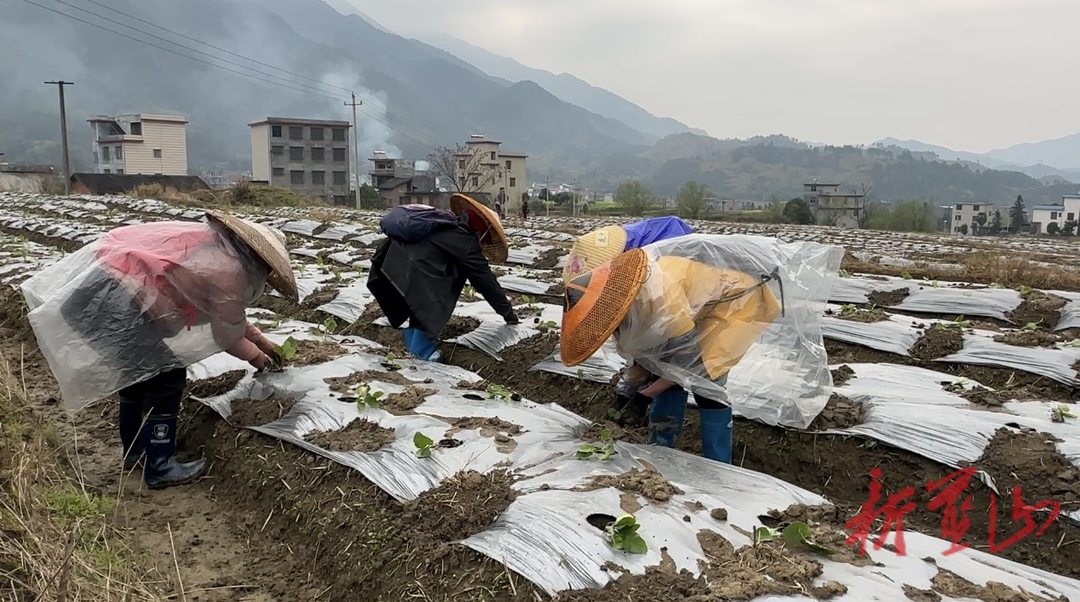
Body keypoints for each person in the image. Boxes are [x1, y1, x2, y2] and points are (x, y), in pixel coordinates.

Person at [21, 210, 298, 490]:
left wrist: (262, 341)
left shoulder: (212, 252)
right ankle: (159, 466)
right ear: (257, 259)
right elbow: (225, 333)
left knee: (137, 376)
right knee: (166, 377)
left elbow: (226, 315)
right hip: (120, 302)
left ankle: (136, 453)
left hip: (99, 294)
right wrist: (259, 358)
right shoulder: (231, 270)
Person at [559, 236, 786, 463]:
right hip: (697, 304)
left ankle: (719, 466)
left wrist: (643, 397)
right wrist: (626, 391)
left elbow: (687, 367)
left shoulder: (663, 303)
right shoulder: (628, 305)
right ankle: (661, 451)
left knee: (707, 384)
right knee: (662, 367)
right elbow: (646, 358)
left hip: (738, 302)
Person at [561, 216, 694, 425]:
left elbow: (687, 362)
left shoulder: (665, 288)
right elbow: (637, 338)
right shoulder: (615, 265)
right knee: (649, 351)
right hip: (664, 301)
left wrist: (644, 396)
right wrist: (626, 389)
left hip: (726, 315)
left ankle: (665, 443)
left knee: (704, 391)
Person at [367, 194, 519, 362]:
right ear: (481, 232)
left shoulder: (443, 224)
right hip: (412, 270)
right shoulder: (465, 241)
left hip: (388, 263)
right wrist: (508, 314)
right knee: (437, 292)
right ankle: (422, 355)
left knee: (417, 302)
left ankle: (413, 349)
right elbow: (485, 281)